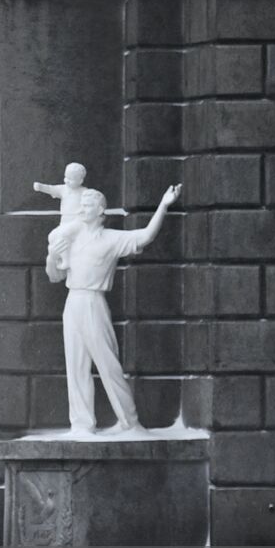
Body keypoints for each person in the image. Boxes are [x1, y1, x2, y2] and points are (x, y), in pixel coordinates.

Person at [47, 184, 181, 434]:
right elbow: (54, 276)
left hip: (93, 302)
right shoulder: (72, 238)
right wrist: (51, 257)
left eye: (87, 205)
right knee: (75, 365)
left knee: (107, 363)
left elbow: (145, 236)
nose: (82, 209)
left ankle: (130, 422)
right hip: (73, 301)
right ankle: (81, 424)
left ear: (100, 210)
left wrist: (164, 204)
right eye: (81, 205)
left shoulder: (111, 238)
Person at [35, 162, 90, 270]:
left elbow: (92, 203)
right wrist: (40, 187)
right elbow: (51, 189)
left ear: (80, 181)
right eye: (66, 177)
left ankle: (67, 260)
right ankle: (61, 257)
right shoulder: (63, 189)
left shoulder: (85, 192)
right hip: (65, 221)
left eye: (71, 179)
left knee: (63, 235)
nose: (67, 181)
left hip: (78, 221)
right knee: (52, 236)